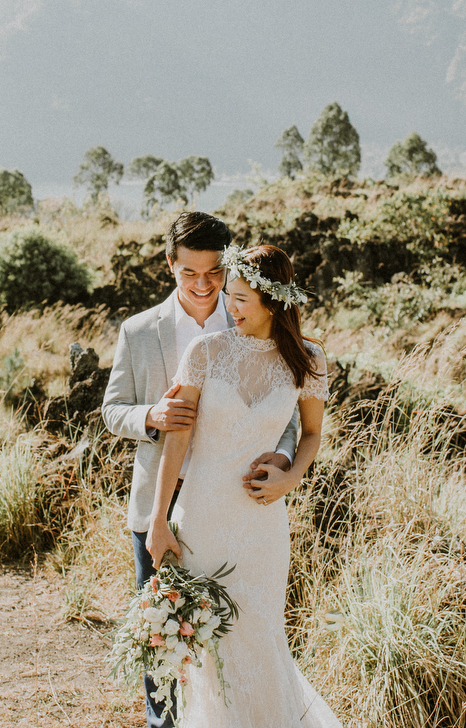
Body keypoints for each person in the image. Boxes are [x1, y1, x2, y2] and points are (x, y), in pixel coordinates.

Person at [102, 213, 299, 728]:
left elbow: (284, 415)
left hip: (235, 505)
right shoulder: (139, 331)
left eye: (214, 272)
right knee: (164, 639)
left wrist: (283, 459)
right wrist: (151, 415)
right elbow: (111, 409)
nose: (204, 284)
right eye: (190, 272)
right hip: (160, 505)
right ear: (170, 265)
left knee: (232, 640)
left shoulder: (250, 319)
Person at [142, 244, 340, 728]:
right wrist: (158, 520)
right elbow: (176, 439)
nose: (229, 307)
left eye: (241, 299)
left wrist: (290, 477)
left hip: (262, 525)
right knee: (210, 654)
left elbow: (311, 434)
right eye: (229, 295)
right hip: (203, 521)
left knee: (260, 638)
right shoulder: (205, 352)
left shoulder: (308, 360)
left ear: (273, 302)